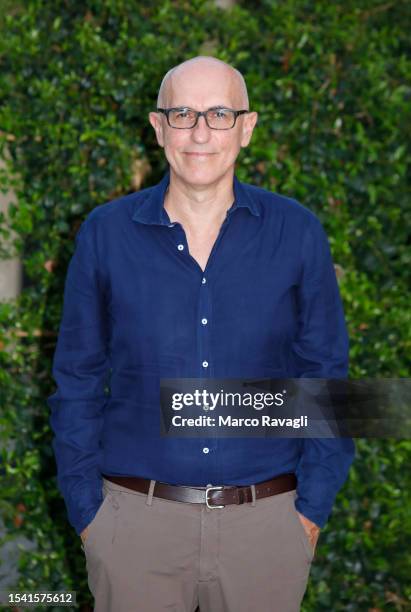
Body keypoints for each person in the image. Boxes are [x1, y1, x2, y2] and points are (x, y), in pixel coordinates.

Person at [48, 56, 355, 612]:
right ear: (158, 125)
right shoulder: (105, 235)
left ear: (247, 126)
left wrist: (310, 511)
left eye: (218, 113)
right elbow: (77, 379)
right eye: (182, 113)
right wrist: (89, 515)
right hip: (133, 529)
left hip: (267, 530)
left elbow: (327, 378)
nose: (199, 133)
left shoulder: (297, 232)